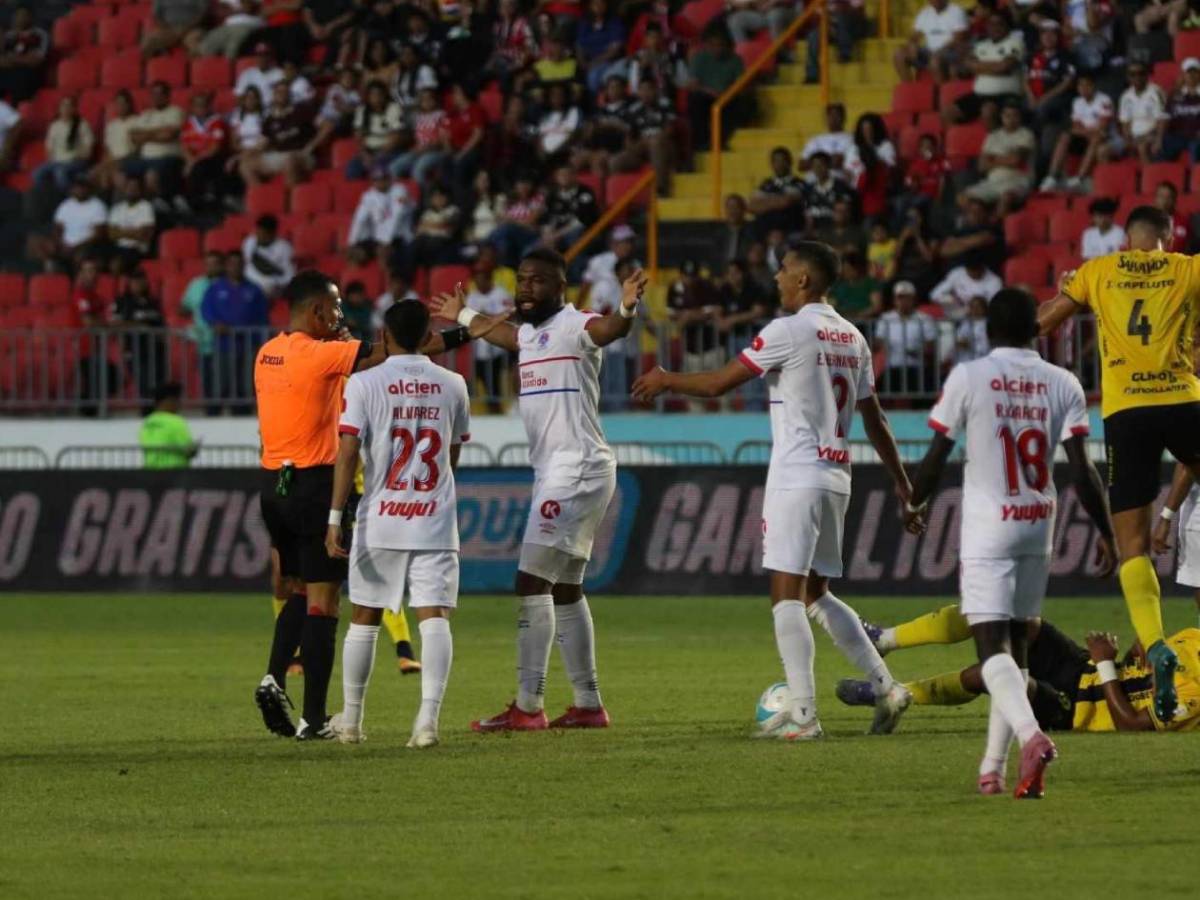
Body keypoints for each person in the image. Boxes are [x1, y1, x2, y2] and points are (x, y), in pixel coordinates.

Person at [631, 241, 916, 739]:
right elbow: (876, 419)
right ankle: (886, 687)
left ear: (804, 280)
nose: (778, 278)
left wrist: (667, 378)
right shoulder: (853, 337)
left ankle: (803, 715)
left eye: (784, 270)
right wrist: (902, 483)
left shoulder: (789, 330)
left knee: (785, 595)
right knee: (817, 594)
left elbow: (721, 383)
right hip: (837, 477)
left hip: (797, 476)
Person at [903, 287, 1115, 796]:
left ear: (987, 330)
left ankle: (1031, 737)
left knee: (991, 646)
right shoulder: (1062, 381)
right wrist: (1108, 533)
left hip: (989, 524)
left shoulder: (970, 377)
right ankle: (992, 769)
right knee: (1017, 655)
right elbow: (1083, 470)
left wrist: (914, 501)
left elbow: (937, 452)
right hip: (1040, 521)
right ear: (1038, 329)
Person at [430, 249, 648, 731]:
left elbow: (609, 331)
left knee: (530, 582)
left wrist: (628, 309)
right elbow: (504, 333)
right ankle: (589, 704)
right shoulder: (529, 334)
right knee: (566, 588)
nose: (526, 289)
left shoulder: (576, 324)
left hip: (576, 469)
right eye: (522, 280)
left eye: (537, 282)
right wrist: (462, 315)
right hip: (565, 471)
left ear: (561, 287)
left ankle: (528, 707)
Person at [1037, 205, 1200, 723]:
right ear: (1168, 238)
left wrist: (1066, 291)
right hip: (1184, 401)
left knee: (1132, 546)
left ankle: (1154, 646)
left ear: (1126, 239)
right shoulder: (1189, 268)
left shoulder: (1098, 271)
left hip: (1127, 411)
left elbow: (1040, 323)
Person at [325, 299, 471, 747]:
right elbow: (452, 451)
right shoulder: (454, 383)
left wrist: (335, 517)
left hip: (382, 516)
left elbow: (348, 452)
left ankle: (351, 720)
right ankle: (426, 723)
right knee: (435, 617)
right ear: (429, 335)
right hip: (433, 516)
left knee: (364, 617)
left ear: (385, 336)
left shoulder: (365, 382)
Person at [841, 611, 1200, 733]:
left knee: (989, 674)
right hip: (1081, 667)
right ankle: (884, 639)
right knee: (999, 612)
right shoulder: (1194, 639)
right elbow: (1147, 652)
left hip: (1073, 709)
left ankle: (900, 693)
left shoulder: (1195, 699)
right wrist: (1144, 645)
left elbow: (1132, 725)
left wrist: (1106, 662)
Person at [201, 252, 269, 410]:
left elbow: (262, 315)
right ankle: (214, 413)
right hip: (223, 344)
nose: (236, 267)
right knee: (221, 381)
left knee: (245, 383)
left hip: (248, 344)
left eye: (239, 264)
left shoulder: (254, 289)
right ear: (226, 266)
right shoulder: (215, 289)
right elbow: (206, 310)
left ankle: (242, 412)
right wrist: (215, 323)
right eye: (232, 264)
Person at [945, 10, 1025, 129]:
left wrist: (978, 66)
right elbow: (967, 64)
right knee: (948, 111)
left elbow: (1004, 67)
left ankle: (994, 143)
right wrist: (994, 66)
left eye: (999, 24)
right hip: (979, 95)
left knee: (988, 110)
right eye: (991, 24)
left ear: (1007, 26)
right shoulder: (981, 45)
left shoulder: (1015, 43)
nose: (995, 27)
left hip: (1006, 96)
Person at [1041, 71, 1118, 193]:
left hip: (1106, 137)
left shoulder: (1104, 100)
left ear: (1093, 86)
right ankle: (1052, 176)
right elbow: (1075, 127)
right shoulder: (1077, 102)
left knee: (1096, 138)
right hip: (1087, 136)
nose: (1084, 89)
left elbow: (1103, 126)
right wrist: (1088, 131)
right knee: (1065, 136)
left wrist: (1085, 131)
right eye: (1081, 85)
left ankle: (1080, 177)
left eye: (1087, 85)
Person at [123, 82, 186, 214]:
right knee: (119, 170)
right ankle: (126, 207)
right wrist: (158, 132)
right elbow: (134, 136)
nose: (156, 97)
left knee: (151, 173)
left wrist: (145, 134)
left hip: (168, 157)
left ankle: (158, 204)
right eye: (153, 94)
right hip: (144, 158)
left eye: (160, 94)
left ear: (167, 96)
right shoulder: (145, 114)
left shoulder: (176, 111)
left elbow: (168, 135)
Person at [962, 101, 1035, 216]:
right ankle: (976, 227)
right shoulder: (992, 136)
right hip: (993, 182)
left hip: (1017, 181)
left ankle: (996, 228)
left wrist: (993, 159)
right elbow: (982, 166)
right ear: (1002, 117)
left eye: (1015, 115)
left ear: (1020, 117)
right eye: (1007, 116)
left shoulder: (1026, 135)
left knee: (1006, 197)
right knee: (964, 197)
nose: (1011, 119)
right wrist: (1006, 158)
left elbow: (1016, 160)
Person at [110, 269, 168, 403]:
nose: (138, 285)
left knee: (159, 382)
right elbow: (115, 324)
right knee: (144, 383)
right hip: (135, 349)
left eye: (141, 281)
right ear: (129, 284)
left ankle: (157, 411)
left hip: (156, 349)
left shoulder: (153, 302)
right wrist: (138, 326)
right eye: (135, 282)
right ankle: (146, 411)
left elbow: (161, 323)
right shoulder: (122, 302)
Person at [873, 280, 936, 395]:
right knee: (878, 392)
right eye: (900, 298)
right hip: (893, 366)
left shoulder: (924, 319)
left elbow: (931, 346)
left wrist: (918, 352)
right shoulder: (886, 318)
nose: (904, 302)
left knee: (926, 389)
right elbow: (878, 342)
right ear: (895, 300)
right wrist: (883, 345)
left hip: (916, 367)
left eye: (907, 298)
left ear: (914, 299)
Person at [467, 262, 515, 412]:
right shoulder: (472, 297)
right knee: (483, 387)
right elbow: (467, 320)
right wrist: (488, 318)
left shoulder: (501, 293)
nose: (478, 282)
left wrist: (483, 316)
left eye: (481, 279)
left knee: (495, 388)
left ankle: (501, 412)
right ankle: (491, 412)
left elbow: (508, 316)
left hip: (499, 349)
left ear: (489, 279)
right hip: (479, 351)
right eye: (476, 279)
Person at [180, 251, 222, 413]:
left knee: (226, 380)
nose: (211, 267)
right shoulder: (196, 284)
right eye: (208, 263)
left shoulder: (226, 284)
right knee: (208, 380)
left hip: (226, 342)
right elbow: (183, 307)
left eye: (215, 263)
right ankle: (211, 411)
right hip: (204, 342)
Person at [893, 0, 969, 84]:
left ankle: (941, 94)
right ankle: (909, 89)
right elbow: (915, 36)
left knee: (935, 60)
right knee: (899, 54)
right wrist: (912, 44)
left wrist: (940, 51)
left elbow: (959, 38)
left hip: (950, 52)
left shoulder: (956, 11)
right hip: (929, 52)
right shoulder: (925, 13)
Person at [180, 92, 230, 212]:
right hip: (194, 159)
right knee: (172, 165)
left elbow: (214, 149)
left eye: (203, 105)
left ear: (209, 106)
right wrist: (189, 161)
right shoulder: (188, 123)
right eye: (197, 105)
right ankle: (174, 200)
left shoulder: (217, 122)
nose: (200, 108)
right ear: (192, 107)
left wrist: (193, 162)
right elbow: (184, 146)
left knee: (200, 167)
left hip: (211, 159)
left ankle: (195, 203)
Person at [749, 147, 805, 239]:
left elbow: (786, 202)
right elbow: (752, 206)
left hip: (790, 229)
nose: (780, 164)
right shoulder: (765, 184)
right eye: (776, 161)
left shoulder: (798, 183)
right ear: (771, 164)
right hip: (765, 229)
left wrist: (764, 202)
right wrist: (777, 201)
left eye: (783, 160)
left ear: (790, 162)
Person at [139, 382, 198, 469]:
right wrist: (194, 450)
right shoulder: (175, 421)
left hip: (150, 472)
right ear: (168, 401)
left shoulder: (147, 422)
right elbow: (188, 450)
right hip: (174, 473)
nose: (179, 405)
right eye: (177, 401)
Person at [1119, 62, 1169, 165]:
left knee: (1142, 147)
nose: (1137, 77)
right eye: (1133, 74)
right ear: (1128, 77)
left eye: (1140, 73)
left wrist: (1158, 139)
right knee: (1103, 150)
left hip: (1151, 134)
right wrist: (1127, 138)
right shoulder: (1125, 96)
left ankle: (1149, 179)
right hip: (1133, 136)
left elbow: (1163, 119)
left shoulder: (1156, 92)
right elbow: (1125, 122)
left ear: (1146, 75)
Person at [106, 178, 156, 275]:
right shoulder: (117, 208)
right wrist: (134, 232)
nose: (131, 190)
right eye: (129, 187)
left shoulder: (146, 207)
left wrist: (121, 232)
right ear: (124, 189)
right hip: (118, 248)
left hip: (138, 249)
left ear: (140, 190)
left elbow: (144, 235)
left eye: (135, 187)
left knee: (117, 265)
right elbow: (111, 234)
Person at [929, 254, 1003, 318]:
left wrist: (972, 309)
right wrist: (953, 301)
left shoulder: (995, 282)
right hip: (956, 313)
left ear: (982, 267)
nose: (973, 273)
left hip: (980, 317)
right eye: (970, 270)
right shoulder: (957, 273)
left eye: (976, 270)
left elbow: (993, 308)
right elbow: (934, 294)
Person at [0, 5, 49, 103]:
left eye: (24, 15)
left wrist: (12, 59)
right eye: (18, 15)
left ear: (31, 18)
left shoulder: (40, 34)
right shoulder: (8, 36)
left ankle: (16, 114)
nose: (21, 18)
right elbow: (1, 60)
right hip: (8, 71)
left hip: (30, 73)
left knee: (22, 79)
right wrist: (23, 59)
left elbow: (36, 61)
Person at [242, 214, 295, 299]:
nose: (258, 237)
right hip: (248, 282)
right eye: (257, 232)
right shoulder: (249, 242)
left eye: (262, 234)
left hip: (269, 287)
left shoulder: (284, 248)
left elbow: (288, 275)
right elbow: (245, 265)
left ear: (273, 234)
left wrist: (277, 285)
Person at [1162, 57, 1200, 163]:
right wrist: (1158, 138)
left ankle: (1196, 176)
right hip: (1178, 135)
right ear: (1183, 75)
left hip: (1196, 137)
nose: (1192, 76)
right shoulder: (1175, 95)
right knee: (1164, 143)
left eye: (1195, 72)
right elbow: (1165, 117)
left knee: (1196, 146)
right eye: (1189, 72)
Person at [141, 0, 208, 57]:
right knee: (148, 42)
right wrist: (168, 28)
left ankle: (194, 70)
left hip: (192, 28)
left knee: (197, 46)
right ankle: (153, 69)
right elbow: (157, 16)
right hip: (168, 29)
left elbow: (203, 14)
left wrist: (186, 28)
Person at [800, 104, 854, 172]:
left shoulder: (852, 138)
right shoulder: (815, 140)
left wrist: (817, 162)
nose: (834, 118)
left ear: (844, 117)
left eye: (837, 115)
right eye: (830, 115)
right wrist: (829, 161)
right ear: (826, 118)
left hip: (841, 180)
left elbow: (844, 162)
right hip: (814, 181)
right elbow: (801, 165)